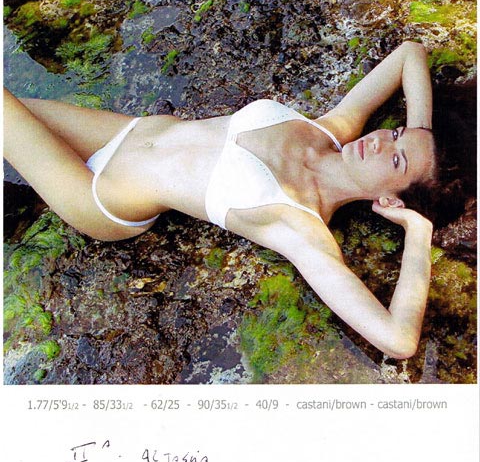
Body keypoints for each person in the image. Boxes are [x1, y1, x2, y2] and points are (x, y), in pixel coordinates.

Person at [4, 40, 437, 359]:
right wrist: (422, 137)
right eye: (396, 133)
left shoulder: (302, 228)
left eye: (396, 160)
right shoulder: (333, 127)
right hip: (124, 132)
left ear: (390, 198)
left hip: (103, 198)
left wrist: (418, 229)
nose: (381, 142)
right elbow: (410, 54)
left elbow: (399, 340)